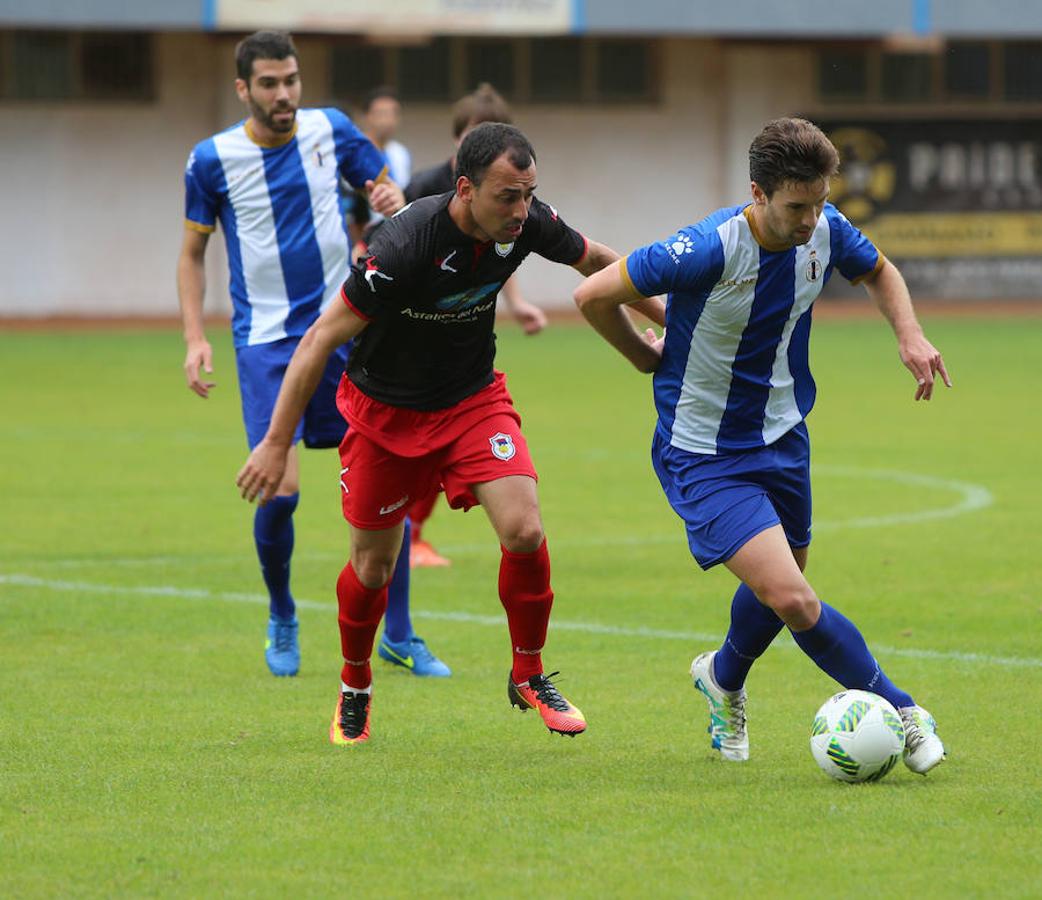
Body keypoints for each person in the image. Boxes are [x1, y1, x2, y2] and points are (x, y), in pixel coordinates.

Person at [236, 122, 665, 745]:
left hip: (471, 400)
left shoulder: (528, 222)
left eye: (529, 194)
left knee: (524, 529)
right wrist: (277, 442)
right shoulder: (404, 246)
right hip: (384, 413)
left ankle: (529, 673)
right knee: (375, 567)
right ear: (466, 189)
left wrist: (674, 321)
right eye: (507, 197)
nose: (522, 211)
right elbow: (320, 338)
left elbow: (604, 264)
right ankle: (354, 683)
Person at [574, 117, 949, 774]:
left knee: (784, 588)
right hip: (704, 454)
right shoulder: (704, 249)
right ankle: (905, 712)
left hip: (783, 438)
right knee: (796, 599)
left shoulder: (825, 228)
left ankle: (722, 677)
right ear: (758, 193)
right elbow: (593, 294)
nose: (810, 221)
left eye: (819, 203)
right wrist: (642, 357)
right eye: (796, 207)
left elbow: (881, 273)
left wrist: (909, 336)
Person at [177, 30, 449, 680]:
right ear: (244, 88)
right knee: (280, 494)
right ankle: (282, 612)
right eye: (268, 84)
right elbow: (192, 254)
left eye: (291, 80)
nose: (283, 94)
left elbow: (387, 193)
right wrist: (194, 336)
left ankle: (401, 633)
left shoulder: (330, 128)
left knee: (392, 477)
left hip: (349, 327)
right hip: (267, 342)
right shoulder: (211, 160)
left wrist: (388, 197)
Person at [402, 82, 548, 567]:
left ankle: (415, 534)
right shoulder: (425, 190)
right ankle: (409, 535)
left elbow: (491, 261)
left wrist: (518, 303)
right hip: (410, 350)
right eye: (468, 135)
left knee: (469, 442)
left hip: (463, 351)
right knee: (417, 450)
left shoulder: (509, 199)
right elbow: (390, 253)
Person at [343, 86, 411, 254]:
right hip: (361, 241)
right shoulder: (354, 154)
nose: (387, 120)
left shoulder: (400, 153)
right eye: (381, 114)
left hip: (394, 238)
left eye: (393, 113)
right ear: (367, 116)